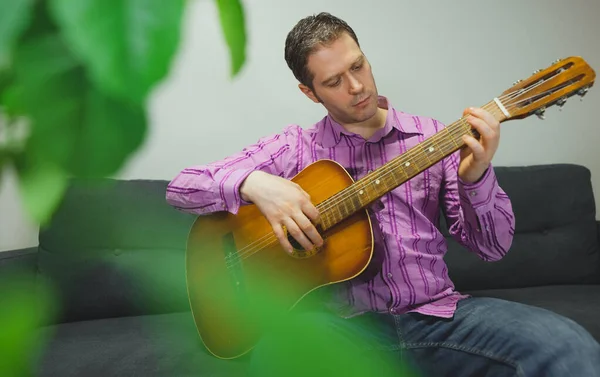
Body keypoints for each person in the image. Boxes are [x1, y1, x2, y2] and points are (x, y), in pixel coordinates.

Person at [166, 12, 600, 377]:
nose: (356, 87)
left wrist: (476, 176)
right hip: (338, 326)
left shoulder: (434, 137)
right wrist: (255, 184)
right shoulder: (294, 147)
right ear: (309, 92)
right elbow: (181, 187)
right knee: (274, 358)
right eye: (335, 80)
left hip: (438, 316)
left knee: (567, 345)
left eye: (359, 66)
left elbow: (493, 248)